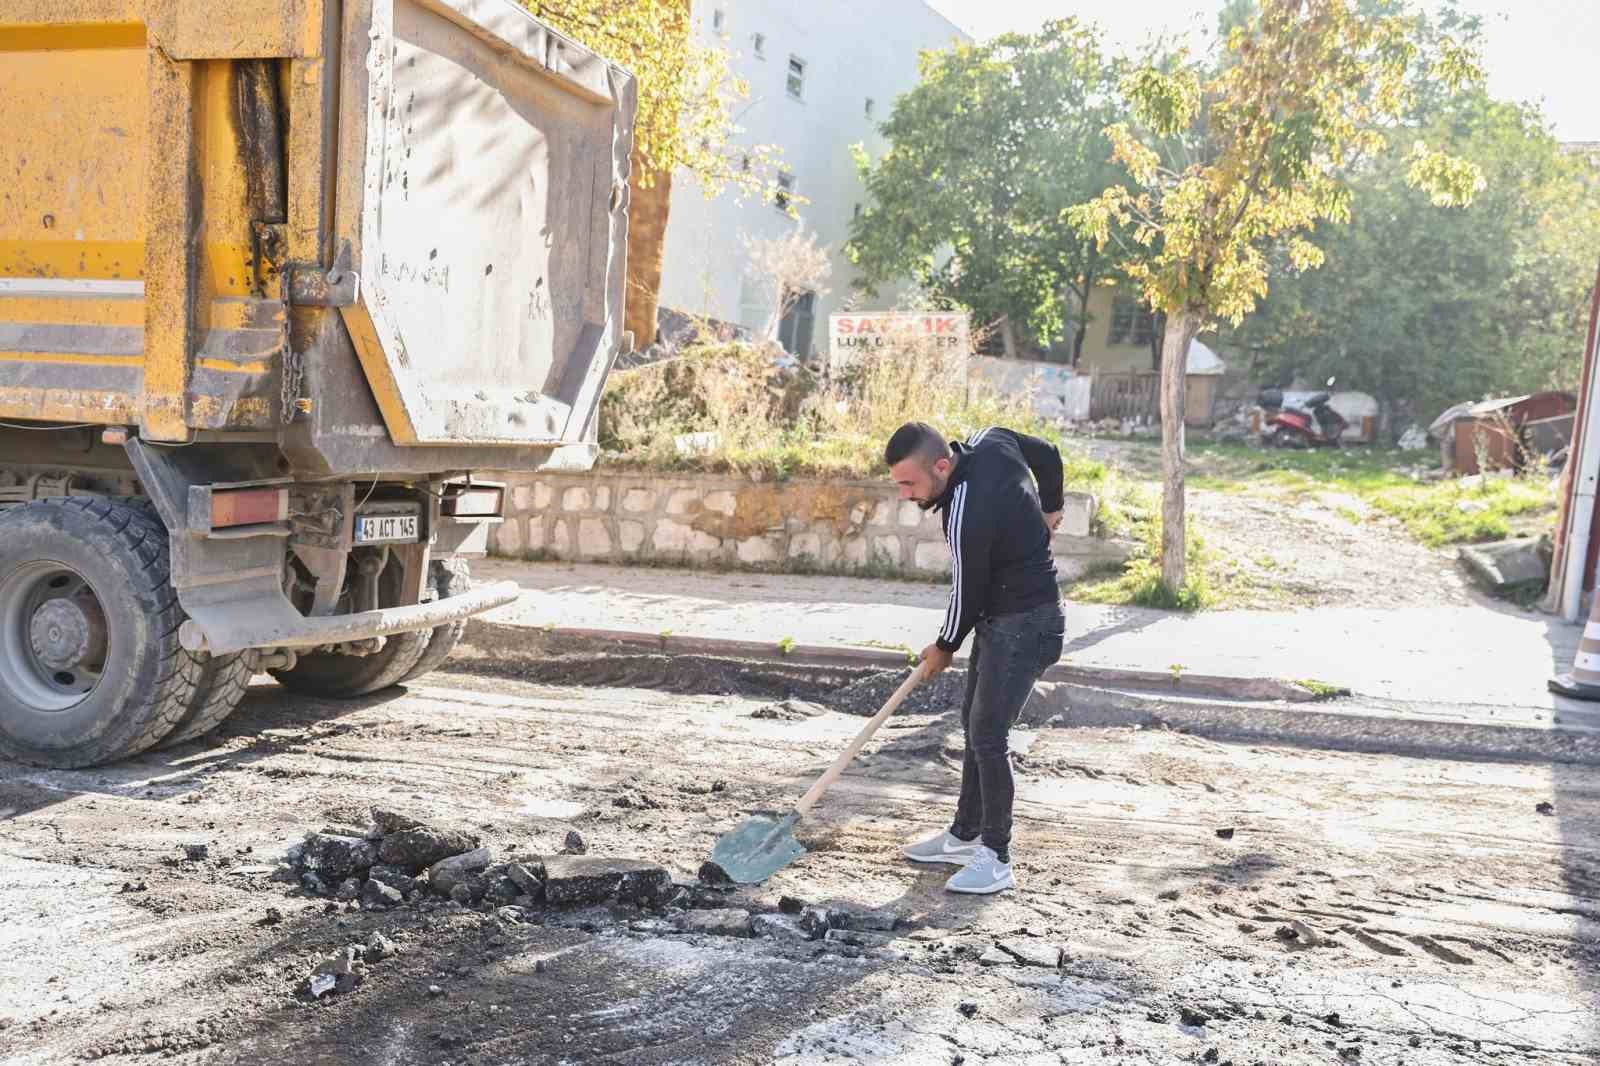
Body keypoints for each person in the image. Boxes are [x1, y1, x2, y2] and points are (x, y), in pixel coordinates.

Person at [883, 421, 1066, 894]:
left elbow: (967, 590)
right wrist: (1052, 508)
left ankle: (997, 857)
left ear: (942, 466)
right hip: (1003, 618)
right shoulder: (994, 439)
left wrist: (944, 646)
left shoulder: (963, 509)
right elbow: (1048, 453)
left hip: (1028, 625)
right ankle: (966, 835)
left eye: (910, 483)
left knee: (988, 734)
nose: (905, 494)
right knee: (974, 722)